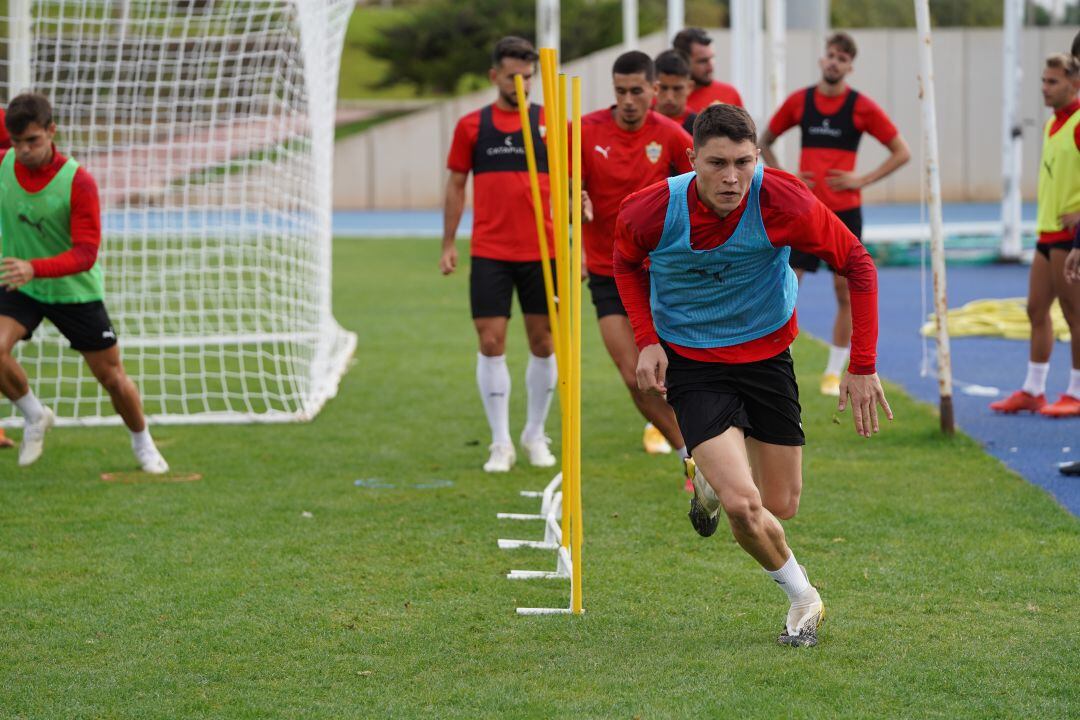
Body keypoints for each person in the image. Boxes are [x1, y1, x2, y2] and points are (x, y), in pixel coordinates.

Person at [614, 103, 889, 647]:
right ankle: (803, 597)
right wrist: (647, 339)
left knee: (780, 504)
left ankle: (713, 481)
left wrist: (862, 366)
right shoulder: (650, 210)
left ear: (758, 157)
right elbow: (623, 261)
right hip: (693, 362)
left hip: (767, 359)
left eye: (742, 162)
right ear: (692, 159)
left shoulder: (784, 199)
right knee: (745, 506)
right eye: (716, 163)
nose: (731, 177)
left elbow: (857, 262)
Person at [0, 93, 168, 472]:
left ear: (51, 131)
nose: (24, 151)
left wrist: (35, 267)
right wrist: (26, 271)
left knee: (111, 377)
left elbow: (86, 253)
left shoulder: (78, 182)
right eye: (16, 143)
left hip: (72, 291)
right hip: (20, 286)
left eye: (33, 141)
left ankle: (142, 441)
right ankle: (34, 415)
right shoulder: (3, 165)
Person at [760, 32, 910, 397]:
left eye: (842, 58)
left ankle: (832, 371)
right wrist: (786, 177)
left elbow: (901, 151)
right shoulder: (800, 102)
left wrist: (863, 179)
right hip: (803, 212)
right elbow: (763, 140)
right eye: (830, 55)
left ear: (850, 66)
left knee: (845, 292)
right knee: (784, 289)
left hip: (845, 213)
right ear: (821, 59)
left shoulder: (861, 107)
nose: (834, 62)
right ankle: (779, 364)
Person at [441, 36, 559, 472]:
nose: (520, 83)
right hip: (491, 251)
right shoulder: (472, 126)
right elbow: (456, 185)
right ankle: (500, 442)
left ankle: (534, 433)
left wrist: (578, 242)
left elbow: (573, 187)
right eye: (512, 75)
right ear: (494, 76)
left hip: (543, 252)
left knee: (544, 342)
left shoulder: (551, 125)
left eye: (528, 76)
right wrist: (449, 243)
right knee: (490, 341)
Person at [579, 50, 694, 476]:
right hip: (607, 272)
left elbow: (700, 193)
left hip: (661, 273)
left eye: (636, 91)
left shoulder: (672, 136)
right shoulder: (585, 131)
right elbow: (564, 192)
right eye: (620, 91)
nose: (628, 100)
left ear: (654, 91)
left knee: (677, 372)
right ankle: (691, 458)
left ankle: (711, 450)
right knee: (634, 376)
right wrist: (576, 199)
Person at [991, 54, 1080, 418]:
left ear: (1074, 84)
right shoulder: (1051, 125)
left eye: (1053, 82)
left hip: (1069, 235)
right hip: (1046, 233)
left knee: (1075, 314)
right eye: (1043, 81)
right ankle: (1034, 388)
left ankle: (1076, 390)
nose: (1044, 88)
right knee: (1035, 309)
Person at [672, 27, 743, 113]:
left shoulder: (729, 94)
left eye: (712, 58)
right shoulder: (662, 100)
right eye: (702, 61)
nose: (711, 67)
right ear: (682, 60)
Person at [653, 50, 697, 134]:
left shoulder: (701, 129)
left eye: (677, 89)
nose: (669, 97)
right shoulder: (639, 122)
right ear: (653, 86)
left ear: (690, 87)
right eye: (663, 88)